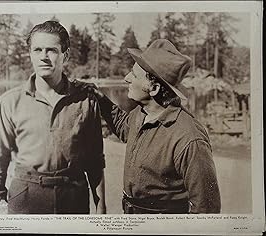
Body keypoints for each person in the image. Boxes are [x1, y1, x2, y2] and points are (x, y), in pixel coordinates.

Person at [82, 39, 221, 214]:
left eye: (134, 74)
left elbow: (206, 209)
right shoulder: (141, 113)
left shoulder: (189, 138)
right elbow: (123, 127)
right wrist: (100, 98)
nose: (126, 78)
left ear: (154, 88)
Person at [0, 21, 106, 214]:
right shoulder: (10, 101)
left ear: (65, 55)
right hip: (26, 198)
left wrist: (101, 207)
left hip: (74, 199)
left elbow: (95, 160)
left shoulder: (86, 101)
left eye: (51, 50)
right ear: (30, 54)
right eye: (38, 50)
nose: (44, 57)